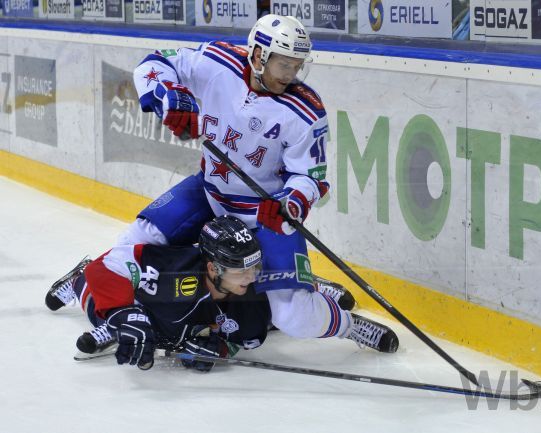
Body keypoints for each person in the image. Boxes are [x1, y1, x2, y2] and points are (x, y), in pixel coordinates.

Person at [122, 14, 399, 353]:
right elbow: (153, 64)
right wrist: (170, 96)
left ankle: (347, 323)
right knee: (136, 241)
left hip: (263, 213)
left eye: (297, 66)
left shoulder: (305, 111)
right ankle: (117, 310)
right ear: (258, 55)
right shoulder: (215, 61)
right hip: (209, 192)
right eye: (283, 65)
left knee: (293, 316)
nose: (290, 75)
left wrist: (291, 202)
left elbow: (310, 178)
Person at [45, 216, 272, 371]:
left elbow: (239, 340)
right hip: (146, 301)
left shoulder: (252, 303)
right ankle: (79, 281)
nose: (251, 277)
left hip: (181, 321)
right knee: (110, 313)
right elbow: (103, 267)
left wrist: (218, 349)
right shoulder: (172, 267)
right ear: (213, 268)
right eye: (241, 271)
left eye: (254, 267)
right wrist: (124, 314)